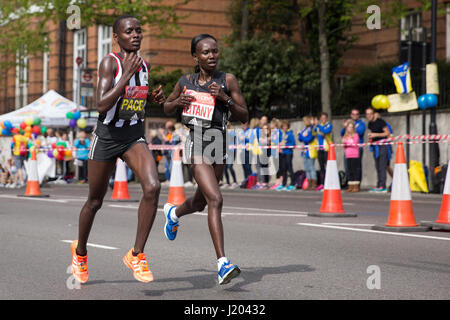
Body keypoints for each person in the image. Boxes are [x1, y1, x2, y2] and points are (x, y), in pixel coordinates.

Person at [70, 15, 166, 284]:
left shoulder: (144, 65)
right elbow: (101, 104)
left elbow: (134, 98)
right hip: (107, 136)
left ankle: (137, 254)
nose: (135, 35)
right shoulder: (109, 63)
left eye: (139, 30)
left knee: (153, 186)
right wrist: (125, 75)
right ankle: (80, 253)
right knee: (95, 201)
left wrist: (151, 96)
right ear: (117, 37)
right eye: (129, 31)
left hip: (133, 135)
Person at [163, 33, 248, 285]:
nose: (212, 56)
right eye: (206, 52)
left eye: (215, 51)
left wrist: (226, 99)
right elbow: (167, 107)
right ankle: (222, 263)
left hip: (219, 142)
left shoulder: (227, 80)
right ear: (195, 56)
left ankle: (174, 213)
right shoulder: (186, 81)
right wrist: (178, 101)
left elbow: (244, 114)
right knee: (216, 199)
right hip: (196, 141)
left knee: (201, 203)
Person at [365, 107, 390, 193]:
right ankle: (379, 184)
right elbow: (372, 134)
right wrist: (371, 139)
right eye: (367, 114)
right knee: (377, 166)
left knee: (382, 166)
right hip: (375, 146)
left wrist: (376, 135)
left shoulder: (380, 122)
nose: (369, 116)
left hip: (383, 146)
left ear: (373, 114)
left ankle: (383, 186)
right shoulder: (370, 124)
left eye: (370, 114)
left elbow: (387, 133)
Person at [341, 108, 366, 184]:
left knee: (356, 167)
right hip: (348, 149)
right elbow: (342, 133)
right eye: (353, 114)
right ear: (351, 115)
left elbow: (360, 132)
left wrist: (350, 127)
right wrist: (345, 127)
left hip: (357, 148)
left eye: (356, 114)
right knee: (348, 167)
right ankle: (349, 183)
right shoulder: (348, 124)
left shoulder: (361, 123)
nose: (355, 115)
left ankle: (357, 183)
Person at [314, 112, 333, 191]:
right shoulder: (319, 126)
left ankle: (329, 183)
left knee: (328, 167)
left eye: (324, 118)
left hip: (327, 148)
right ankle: (322, 183)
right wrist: (314, 125)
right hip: (320, 149)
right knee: (321, 167)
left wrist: (318, 125)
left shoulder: (329, 125)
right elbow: (314, 133)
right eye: (322, 118)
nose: (323, 119)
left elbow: (326, 131)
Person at [275, 120, 296, 191]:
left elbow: (293, 144)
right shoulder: (283, 134)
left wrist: (285, 145)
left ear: (288, 126)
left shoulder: (290, 134)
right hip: (283, 153)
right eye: (283, 126)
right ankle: (284, 184)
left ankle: (293, 183)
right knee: (283, 169)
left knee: (290, 168)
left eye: (285, 126)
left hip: (288, 153)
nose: (284, 127)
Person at [298, 116, 318, 190]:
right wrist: (301, 135)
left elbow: (309, 139)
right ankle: (309, 183)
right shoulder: (304, 129)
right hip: (304, 151)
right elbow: (300, 138)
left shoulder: (312, 129)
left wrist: (301, 136)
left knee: (311, 167)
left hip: (311, 150)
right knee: (306, 168)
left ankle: (314, 183)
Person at [342, 121, 361, 192]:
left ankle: (356, 186)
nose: (350, 128)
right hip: (348, 154)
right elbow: (345, 144)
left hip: (354, 155)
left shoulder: (355, 135)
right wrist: (346, 142)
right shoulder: (346, 135)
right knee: (349, 171)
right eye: (348, 127)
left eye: (351, 127)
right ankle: (350, 186)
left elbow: (354, 143)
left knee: (354, 170)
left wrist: (346, 142)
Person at [222, 122, 238, 188]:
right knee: (224, 168)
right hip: (225, 152)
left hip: (231, 152)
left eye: (227, 125)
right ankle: (228, 182)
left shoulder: (232, 132)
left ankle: (234, 181)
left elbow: (230, 138)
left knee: (230, 167)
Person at [269, 118, 283, 189]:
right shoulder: (273, 132)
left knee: (279, 168)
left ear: (274, 124)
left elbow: (280, 140)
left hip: (277, 152)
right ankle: (277, 182)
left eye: (271, 123)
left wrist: (279, 148)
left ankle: (280, 182)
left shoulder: (278, 131)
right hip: (273, 152)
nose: (270, 125)